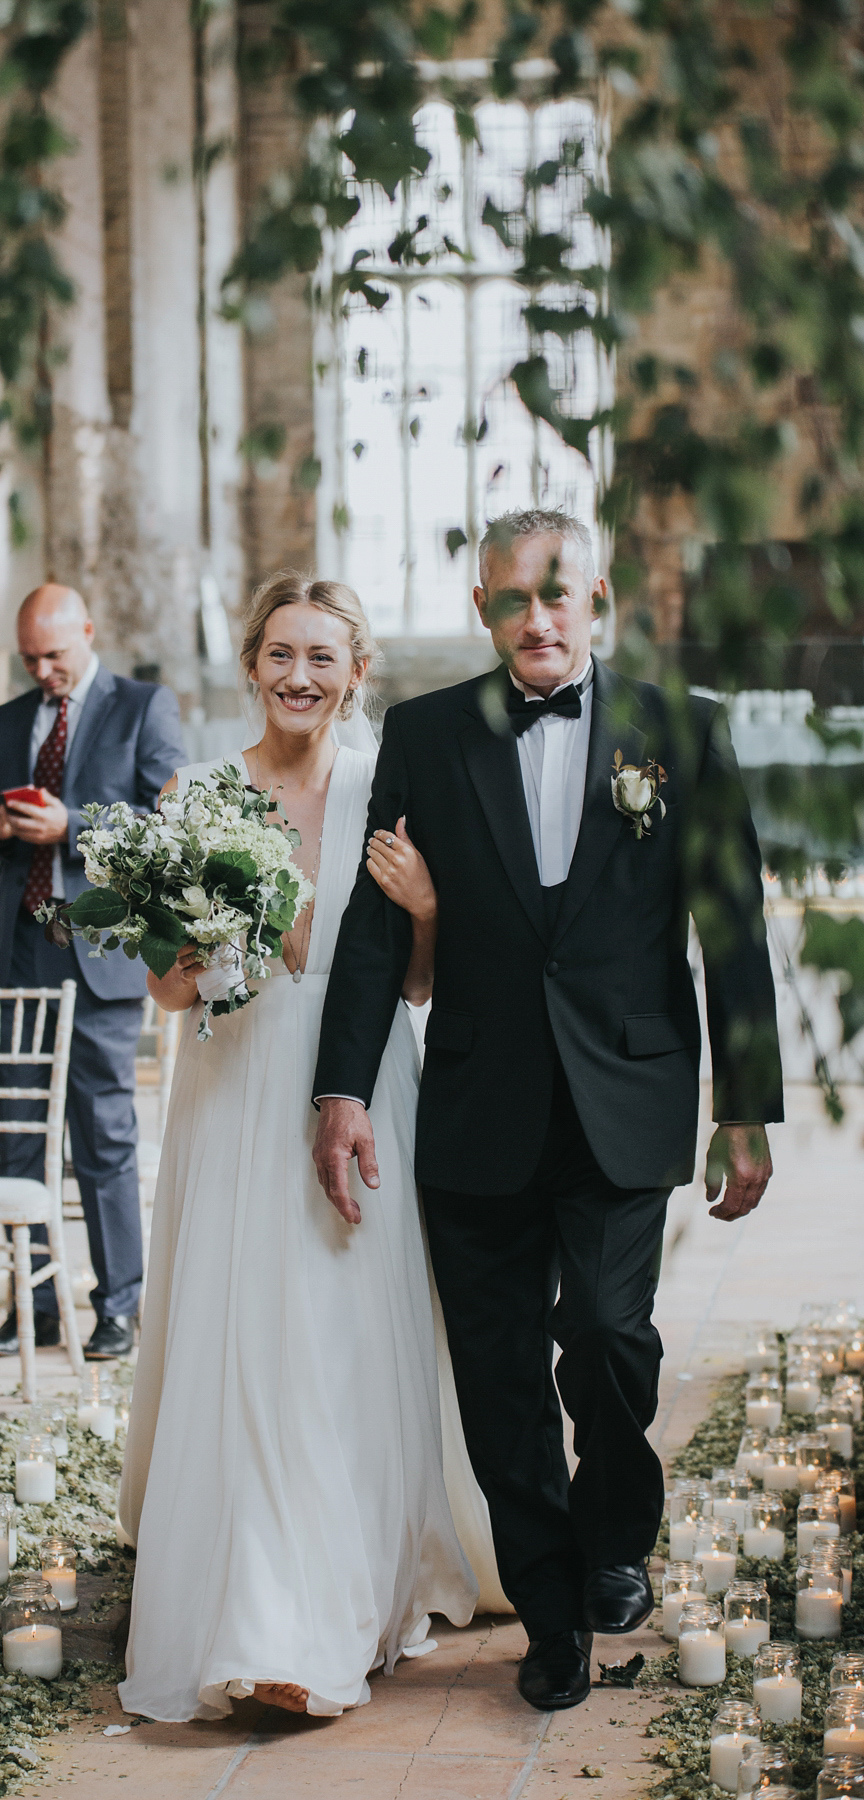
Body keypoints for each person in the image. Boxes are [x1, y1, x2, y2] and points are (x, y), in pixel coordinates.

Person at [312, 508, 783, 1713]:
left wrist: (747, 1109)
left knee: (614, 1338)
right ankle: (552, 1609)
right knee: (501, 1367)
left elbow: (728, 928)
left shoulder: (684, 733)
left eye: (557, 595)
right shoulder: (423, 736)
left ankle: (617, 1533)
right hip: (480, 1097)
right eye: (512, 599)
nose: (537, 618)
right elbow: (374, 934)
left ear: (597, 597)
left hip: (629, 1090)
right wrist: (344, 1088)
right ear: (484, 611)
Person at [117, 570, 487, 1724]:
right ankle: (261, 1618)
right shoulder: (199, 793)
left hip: (363, 1076)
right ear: (251, 666)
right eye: (281, 654)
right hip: (233, 1085)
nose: (300, 677)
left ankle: (350, 1591)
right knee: (246, 1340)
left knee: (341, 1337)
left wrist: (428, 908)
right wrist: (203, 930)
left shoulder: (395, 792)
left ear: (358, 672)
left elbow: (422, 987)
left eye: (323, 657)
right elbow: (168, 992)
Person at [0, 584, 185, 1360]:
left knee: (105, 1135)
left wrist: (73, 827)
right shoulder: (3, 721)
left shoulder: (142, 708)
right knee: (19, 1139)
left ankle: (117, 1306)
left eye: (54, 654)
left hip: (100, 956)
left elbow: (167, 826)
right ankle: (33, 1307)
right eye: (30, 657)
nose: (42, 669)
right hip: (20, 947)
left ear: (88, 631)